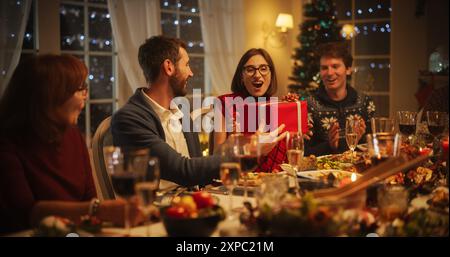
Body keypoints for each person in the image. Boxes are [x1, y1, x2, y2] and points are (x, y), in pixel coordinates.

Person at [112, 36, 285, 188]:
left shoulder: (179, 113)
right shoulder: (130, 118)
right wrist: (248, 151)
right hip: (161, 213)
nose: (191, 72)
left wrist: (230, 147)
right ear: (169, 67)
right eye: (186, 65)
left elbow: (200, 167)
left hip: (197, 200)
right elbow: (184, 170)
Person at [0, 54, 142, 234]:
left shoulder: (72, 134)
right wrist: (100, 210)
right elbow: (26, 213)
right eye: (79, 88)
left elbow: (89, 197)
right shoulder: (7, 142)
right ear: (50, 95)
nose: (86, 95)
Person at [213, 48, 289, 172]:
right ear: (241, 76)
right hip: (238, 178)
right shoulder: (224, 103)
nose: (257, 75)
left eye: (263, 68)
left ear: (271, 74)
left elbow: (289, 154)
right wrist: (232, 142)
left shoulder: (280, 106)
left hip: (275, 180)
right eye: (250, 70)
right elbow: (215, 155)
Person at [305, 42, 376, 156]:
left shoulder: (365, 102)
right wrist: (330, 145)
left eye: (335, 66)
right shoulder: (309, 105)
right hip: (321, 172)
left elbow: (373, 147)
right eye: (324, 68)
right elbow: (304, 153)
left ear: (348, 69)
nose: (329, 73)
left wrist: (359, 139)